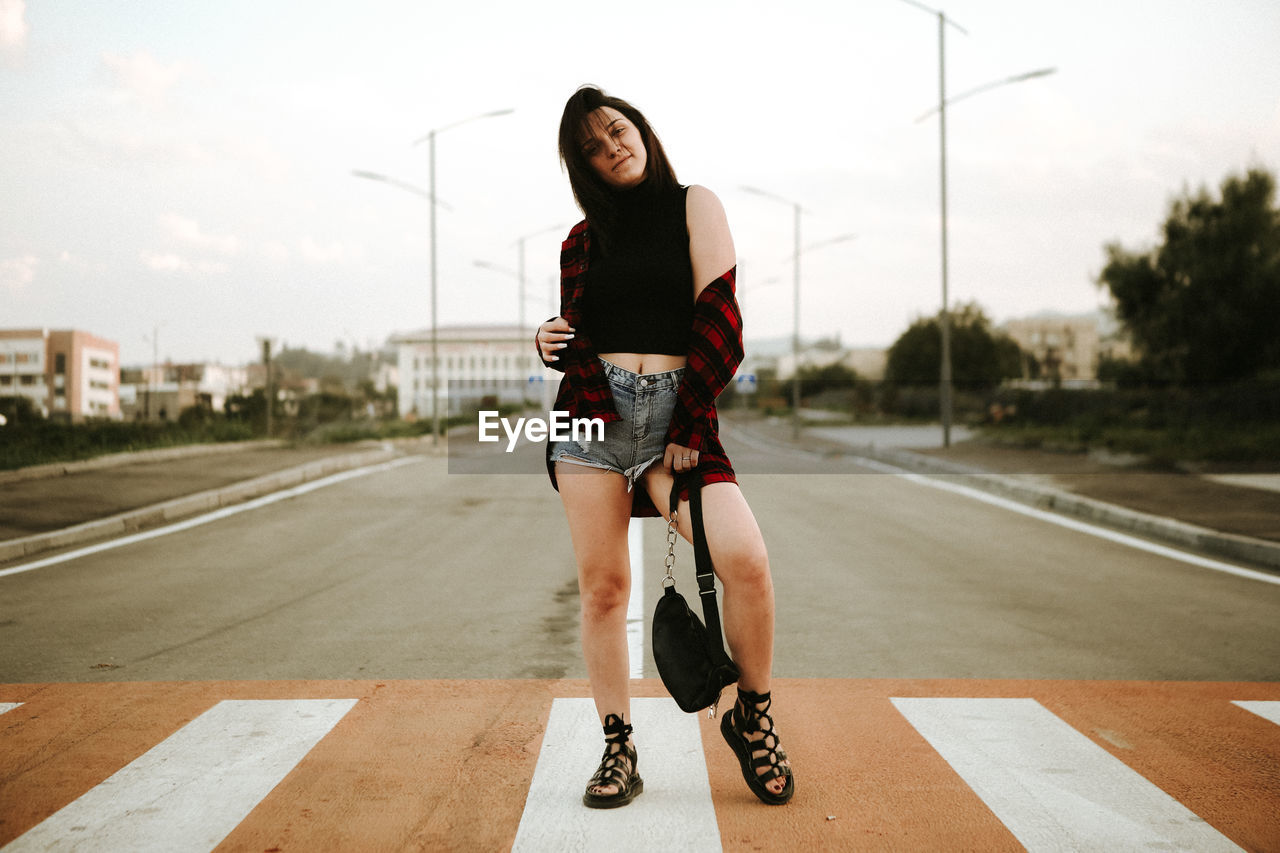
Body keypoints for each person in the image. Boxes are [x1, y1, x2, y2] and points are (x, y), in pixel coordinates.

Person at [535, 85, 795, 808]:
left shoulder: (694, 205)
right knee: (604, 589)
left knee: (746, 559)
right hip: (594, 422)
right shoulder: (581, 242)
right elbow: (577, 336)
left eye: (616, 130)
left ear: (640, 130)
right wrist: (545, 339)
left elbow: (721, 318)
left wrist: (686, 424)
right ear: (582, 166)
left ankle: (753, 711)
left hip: (674, 421)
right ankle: (619, 747)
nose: (610, 146)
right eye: (591, 146)